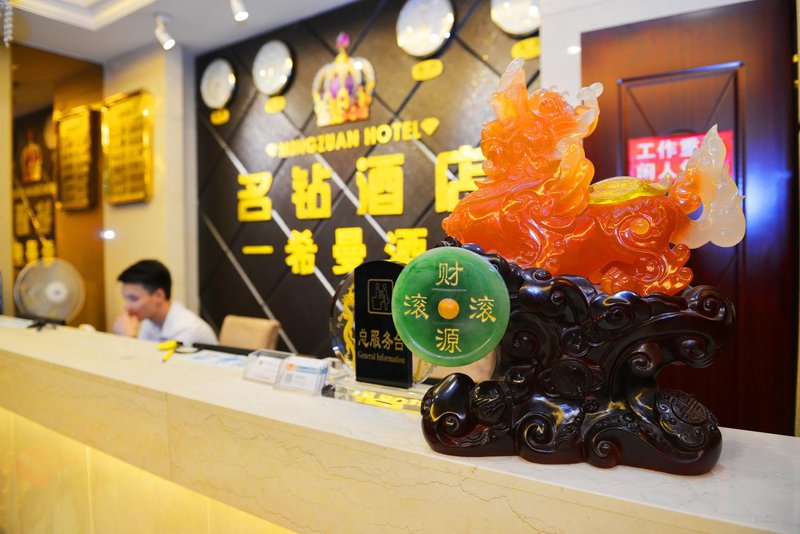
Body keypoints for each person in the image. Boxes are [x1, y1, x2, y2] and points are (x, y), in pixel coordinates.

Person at [112, 259, 217, 346]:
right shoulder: (149, 321)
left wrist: (128, 337)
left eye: (133, 299)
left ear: (159, 296)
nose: (126, 306)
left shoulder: (187, 330)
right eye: (125, 299)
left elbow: (155, 365)